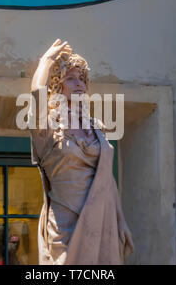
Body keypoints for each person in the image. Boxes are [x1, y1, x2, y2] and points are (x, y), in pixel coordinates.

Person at [28, 39, 135, 265]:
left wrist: (120, 220)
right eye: (70, 79)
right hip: (66, 222)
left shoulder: (96, 128)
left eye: (82, 79)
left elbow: (107, 178)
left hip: (102, 218)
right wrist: (46, 61)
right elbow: (37, 95)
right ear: (58, 85)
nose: (79, 84)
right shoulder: (46, 128)